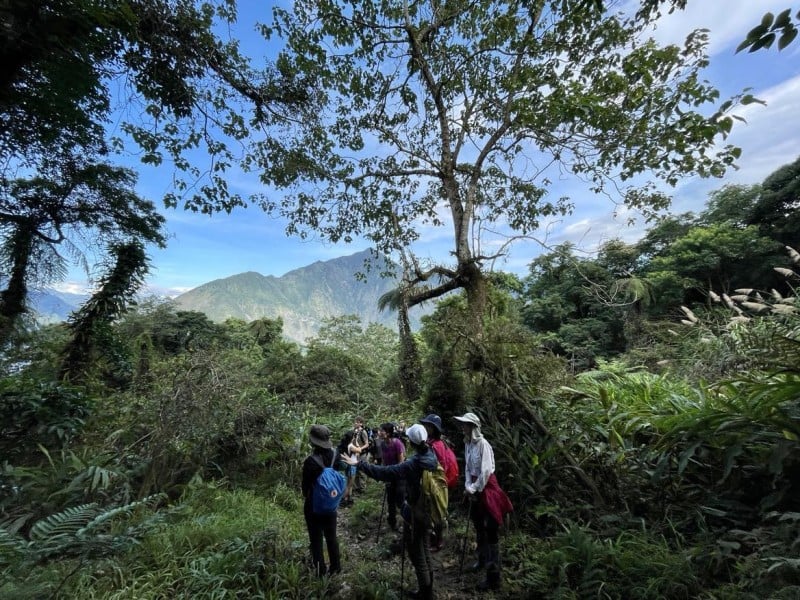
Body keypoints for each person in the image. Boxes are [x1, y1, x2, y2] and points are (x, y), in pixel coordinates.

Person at [343, 424, 438, 600]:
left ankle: (426, 593)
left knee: (417, 554)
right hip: (429, 508)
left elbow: (386, 472)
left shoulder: (412, 463)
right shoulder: (431, 455)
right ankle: (428, 588)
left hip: (417, 511)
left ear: (411, 441)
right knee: (424, 547)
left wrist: (360, 464)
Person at [454, 412, 513, 592]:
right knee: (478, 525)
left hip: (487, 489)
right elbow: (468, 467)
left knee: (491, 529)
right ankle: (481, 559)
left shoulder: (483, 445)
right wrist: (468, 486)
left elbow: (486, 471)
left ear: (473, 427)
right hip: (475, 489)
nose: (463, 427)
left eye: (466, 424)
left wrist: (473, 488)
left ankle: (493, 575)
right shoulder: (468, 444)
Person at [301, 424, 343, 577]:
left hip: (314, 506)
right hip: (331, 504)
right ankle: (336, 567)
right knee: (331, 536)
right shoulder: (335, 455)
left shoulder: (310, 461)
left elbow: (305, 487)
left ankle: (320, 572)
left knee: (316, 539)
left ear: (313, 442)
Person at [419, 413, 455, 552]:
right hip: (435, 481)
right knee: (432, 510)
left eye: (428, 426)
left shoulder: (436, 445)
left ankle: (438, 541)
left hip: (437, 482)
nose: (426, 427)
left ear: (434, 428)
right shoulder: (432, 442)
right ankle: (434, 537)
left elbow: (441, 465)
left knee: (437, 512)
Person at [379, 422, 406, 531]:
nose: (380, 432)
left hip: (399, 476)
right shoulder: (383, 444)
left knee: (400, 500)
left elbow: (401, 461)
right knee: (390, 500)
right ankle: (392, 523)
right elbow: (384, 461)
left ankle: (406, 522)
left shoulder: (397, 443)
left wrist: (394, 474)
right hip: (389, 476)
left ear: (388, 432)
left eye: (382, 431)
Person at [350, 416, 370, 493]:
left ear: (361, 423)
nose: (356, 423)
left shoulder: (363, 432)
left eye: (358, 422)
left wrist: (360, 449)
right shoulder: (354, 431)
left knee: (362, 470)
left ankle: (362, 488)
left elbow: (367, 444)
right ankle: (356, 487)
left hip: (362, 454)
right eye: (355, 421)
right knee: (355, 470)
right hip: (354, 454)